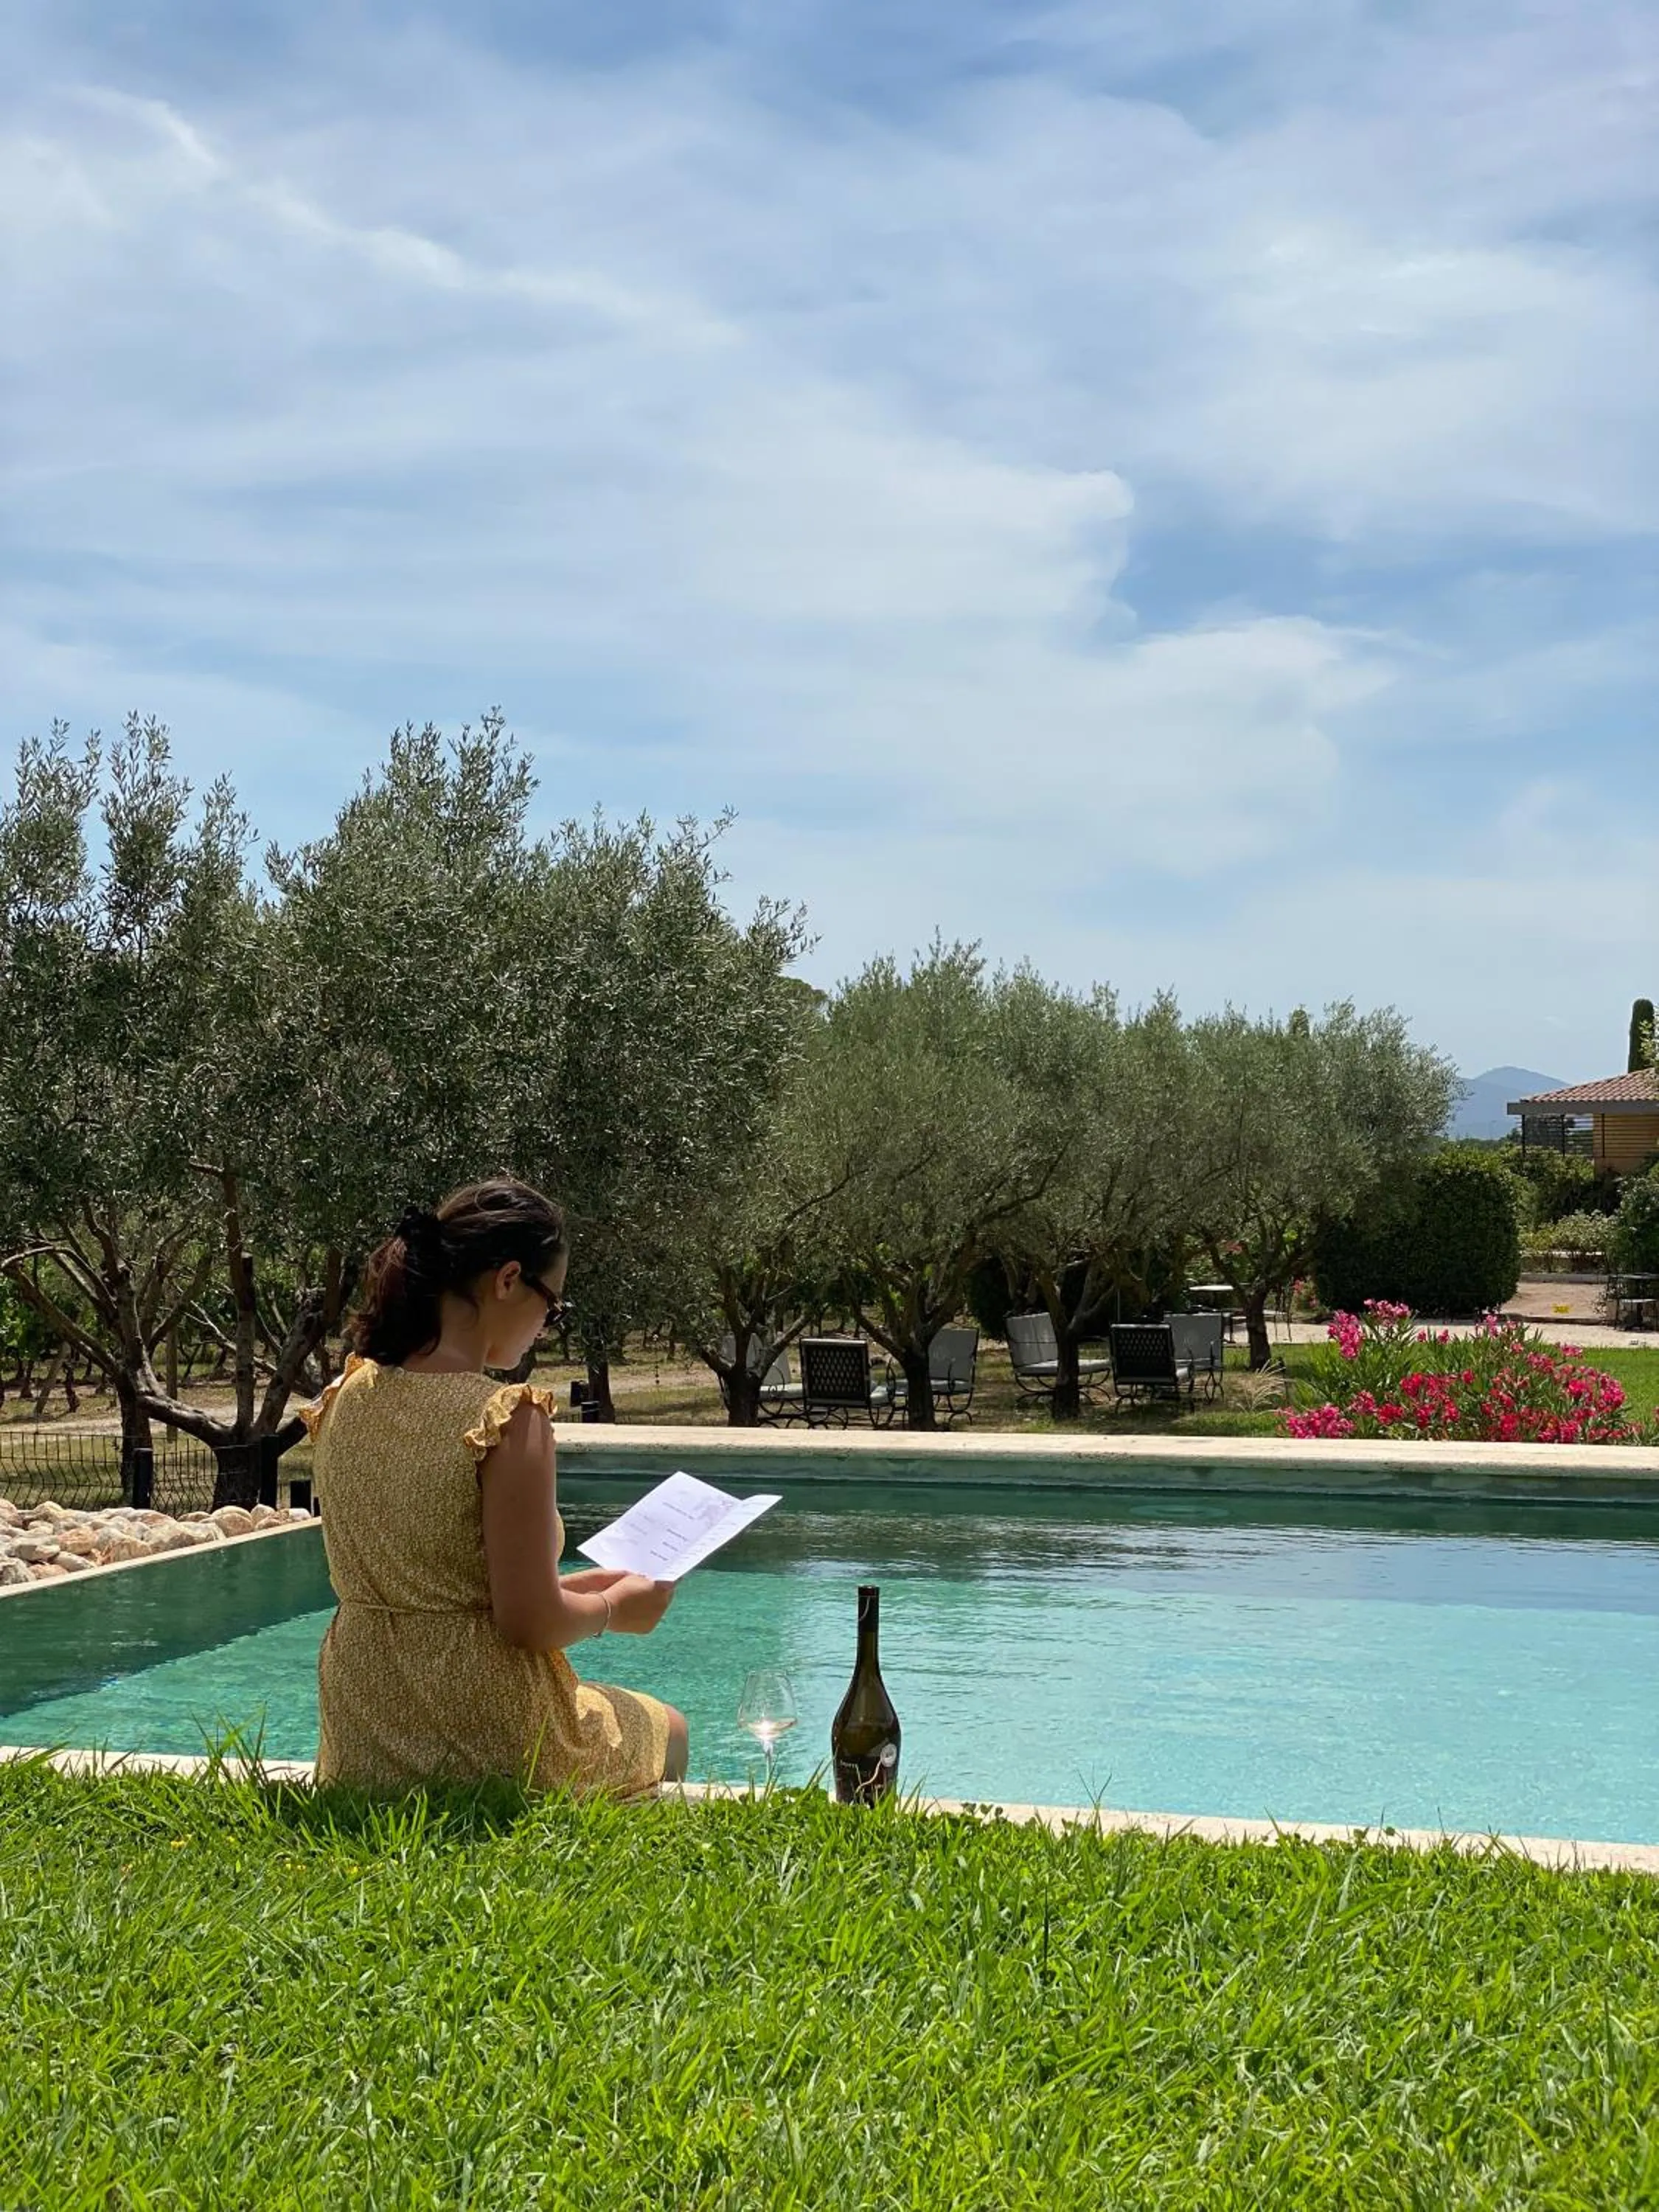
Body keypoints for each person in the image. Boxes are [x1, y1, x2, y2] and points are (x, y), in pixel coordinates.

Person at [300, 1177, 687, 1795]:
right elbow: (530, 1625)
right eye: (551, 1307)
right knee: (669, 1726)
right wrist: (617, 1610)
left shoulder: (348, 1395)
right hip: (490, 1733)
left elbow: (435, 1580)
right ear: (508, 1280)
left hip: (363, 1728)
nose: (547, 1325)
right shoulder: (505, 1416)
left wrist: (570, 1589)